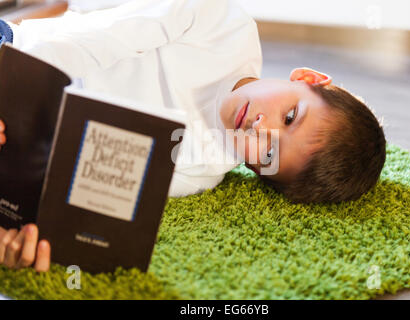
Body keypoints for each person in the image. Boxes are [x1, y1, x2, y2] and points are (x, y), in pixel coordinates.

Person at [0, 0, 386, 271]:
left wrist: (23, 234)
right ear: (307, 79)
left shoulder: (200, 170)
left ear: (258, 172)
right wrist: (15, 86)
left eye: (268, 153)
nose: (260, 129)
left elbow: (78, 180)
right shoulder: (223, 25)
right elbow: (98, 38)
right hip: (19, 56)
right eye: (289, 116)